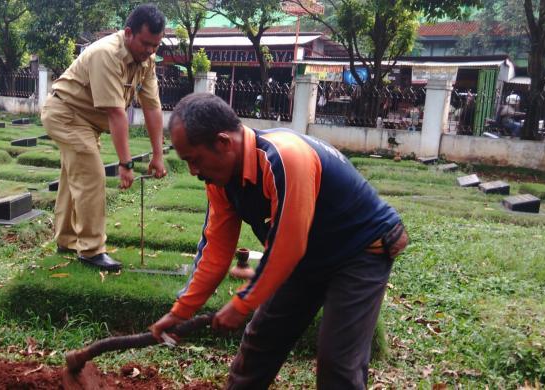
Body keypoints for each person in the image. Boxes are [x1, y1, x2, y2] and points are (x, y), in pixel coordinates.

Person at [150, 93, 409, 389]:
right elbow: (215, 252)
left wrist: (244, 302)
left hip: (360, 250)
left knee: (337, 361)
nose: (194, 171)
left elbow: (288, 246)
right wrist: (180, 312)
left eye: (194, 160)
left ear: (223, 143)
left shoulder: (285, 157)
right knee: (261, 341)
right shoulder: (219, 182)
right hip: (308, 256)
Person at [41, 4, 168, 272]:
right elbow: (116, 113)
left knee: (73, 176)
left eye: (155, 45)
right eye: (146, 43)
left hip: (86, 121)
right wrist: (126, 164)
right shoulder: (106, 54)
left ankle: (66, 239)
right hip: (66, 113)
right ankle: (91, 249)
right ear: (129, 33)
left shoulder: (146, 61)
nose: (150, 51)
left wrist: (158, 155)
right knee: (91, 175)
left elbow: (152, 107)